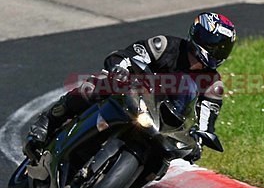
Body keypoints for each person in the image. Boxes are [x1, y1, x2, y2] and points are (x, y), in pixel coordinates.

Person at [23, 12, 237, 163]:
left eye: (222, 47)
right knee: (97, 85)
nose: (215, 50)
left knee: (166, 158)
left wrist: (200, 139)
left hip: (164, 122)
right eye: (212, 43)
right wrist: (121, 68)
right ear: (197, 34)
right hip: (133, 95)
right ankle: (49, 120)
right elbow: (128, 55)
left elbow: (206, 121)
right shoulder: (166, 45)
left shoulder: (213, 83)